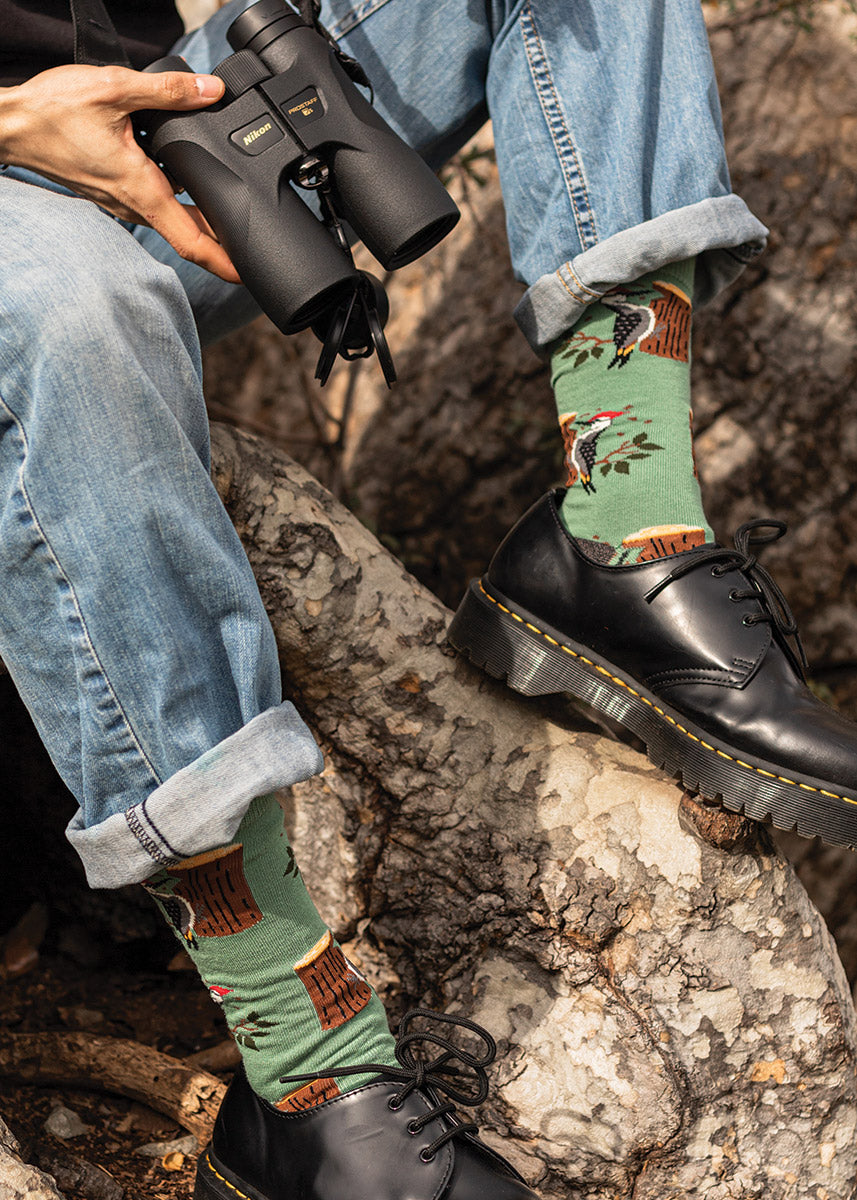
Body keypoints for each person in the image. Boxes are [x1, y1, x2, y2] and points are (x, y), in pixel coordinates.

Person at [1, 2, 851, 1198]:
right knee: (71, 313)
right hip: (28, 227)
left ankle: (623, 526)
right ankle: (310, 1083)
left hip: (152, 140)